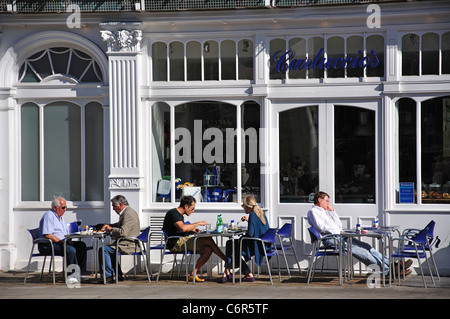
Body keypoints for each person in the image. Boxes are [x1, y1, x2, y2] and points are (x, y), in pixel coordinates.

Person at [307, 191, 412, 276]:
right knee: (362, 252)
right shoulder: (314, 212)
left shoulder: (325, 212)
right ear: (319, 200)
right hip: (331, 239)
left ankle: (393, 265)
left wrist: (332, 211)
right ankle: (388, 271)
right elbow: (321, 227)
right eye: (326, 201)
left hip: (339, 236)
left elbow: (338, 225)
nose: (328, 204)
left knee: (367, 247)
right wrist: (337, 231)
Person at [162, 195, 226, 282]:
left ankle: (193, 274)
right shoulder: (173, 213)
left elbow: (180, 230)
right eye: (192, 208)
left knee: (208, 248)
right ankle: (227, 261)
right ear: (186, 206)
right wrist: (199, 223)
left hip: (181, 239)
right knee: (208, 239)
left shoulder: (180, 215)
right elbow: (183, 228)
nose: (193, 211)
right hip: (175, 243)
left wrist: (191, 231)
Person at [220, 195, 269, 283]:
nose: (243, 208)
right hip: (262, 244)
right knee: (232, 246)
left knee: (231, 246)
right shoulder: (260, 213)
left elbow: (250, 234)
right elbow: (258, 228)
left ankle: (228, 272)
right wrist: (249, 221)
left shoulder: (253, 215)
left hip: (256, 246)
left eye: (243, 205)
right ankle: (232, 272)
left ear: (247, 206)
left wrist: (241, 238)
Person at [38, 197, 88, 282]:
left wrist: (67, 240)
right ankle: (72, 276)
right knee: (70, 250)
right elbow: (48, 235)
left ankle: (80, 273)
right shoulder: (49, 216)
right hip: (47, 245)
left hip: (60, 242)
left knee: (81, 246)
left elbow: (63, 233)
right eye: (63, 207)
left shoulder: (61, 217)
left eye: (66, 207)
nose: (65, 210)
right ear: (55, 208)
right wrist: (62, 242)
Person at [98, 195, 141, 283]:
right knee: (109, 249)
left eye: (114, 206)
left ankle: (108, 276)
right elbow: (120, 225)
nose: (113, 209)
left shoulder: (128, 214)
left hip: (129, 244)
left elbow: (123, 231)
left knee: (104, 250)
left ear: (120, 204)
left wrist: (110, 229)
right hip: (126, 242)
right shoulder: (127, 212)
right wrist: (109, 225)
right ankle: (117, 274)